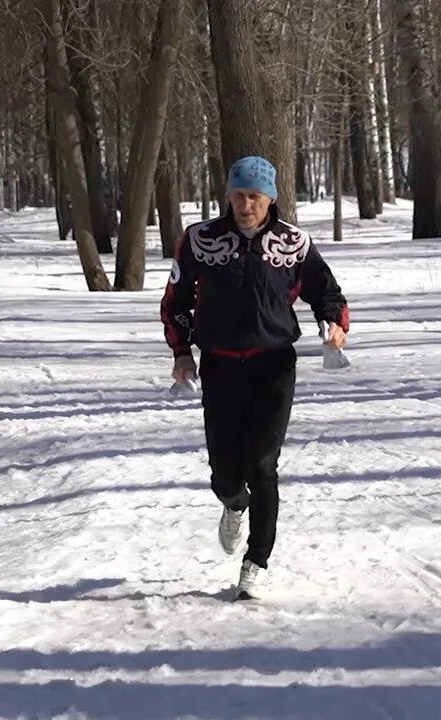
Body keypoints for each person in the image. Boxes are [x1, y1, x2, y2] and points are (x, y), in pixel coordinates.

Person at [160, 155, 350, 600]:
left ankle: (257, 562)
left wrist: (335, 324)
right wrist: (181, 351)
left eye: (255, 197)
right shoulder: (199, 240)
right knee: (225, 473)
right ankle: (233, 503)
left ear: (271, 199)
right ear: (227, 196)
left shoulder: (294, 244)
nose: (246, 205)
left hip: (273, 366)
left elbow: (328, 293)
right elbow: (175, 302)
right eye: (239, 195)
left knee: (263, 465)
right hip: (221, 366)